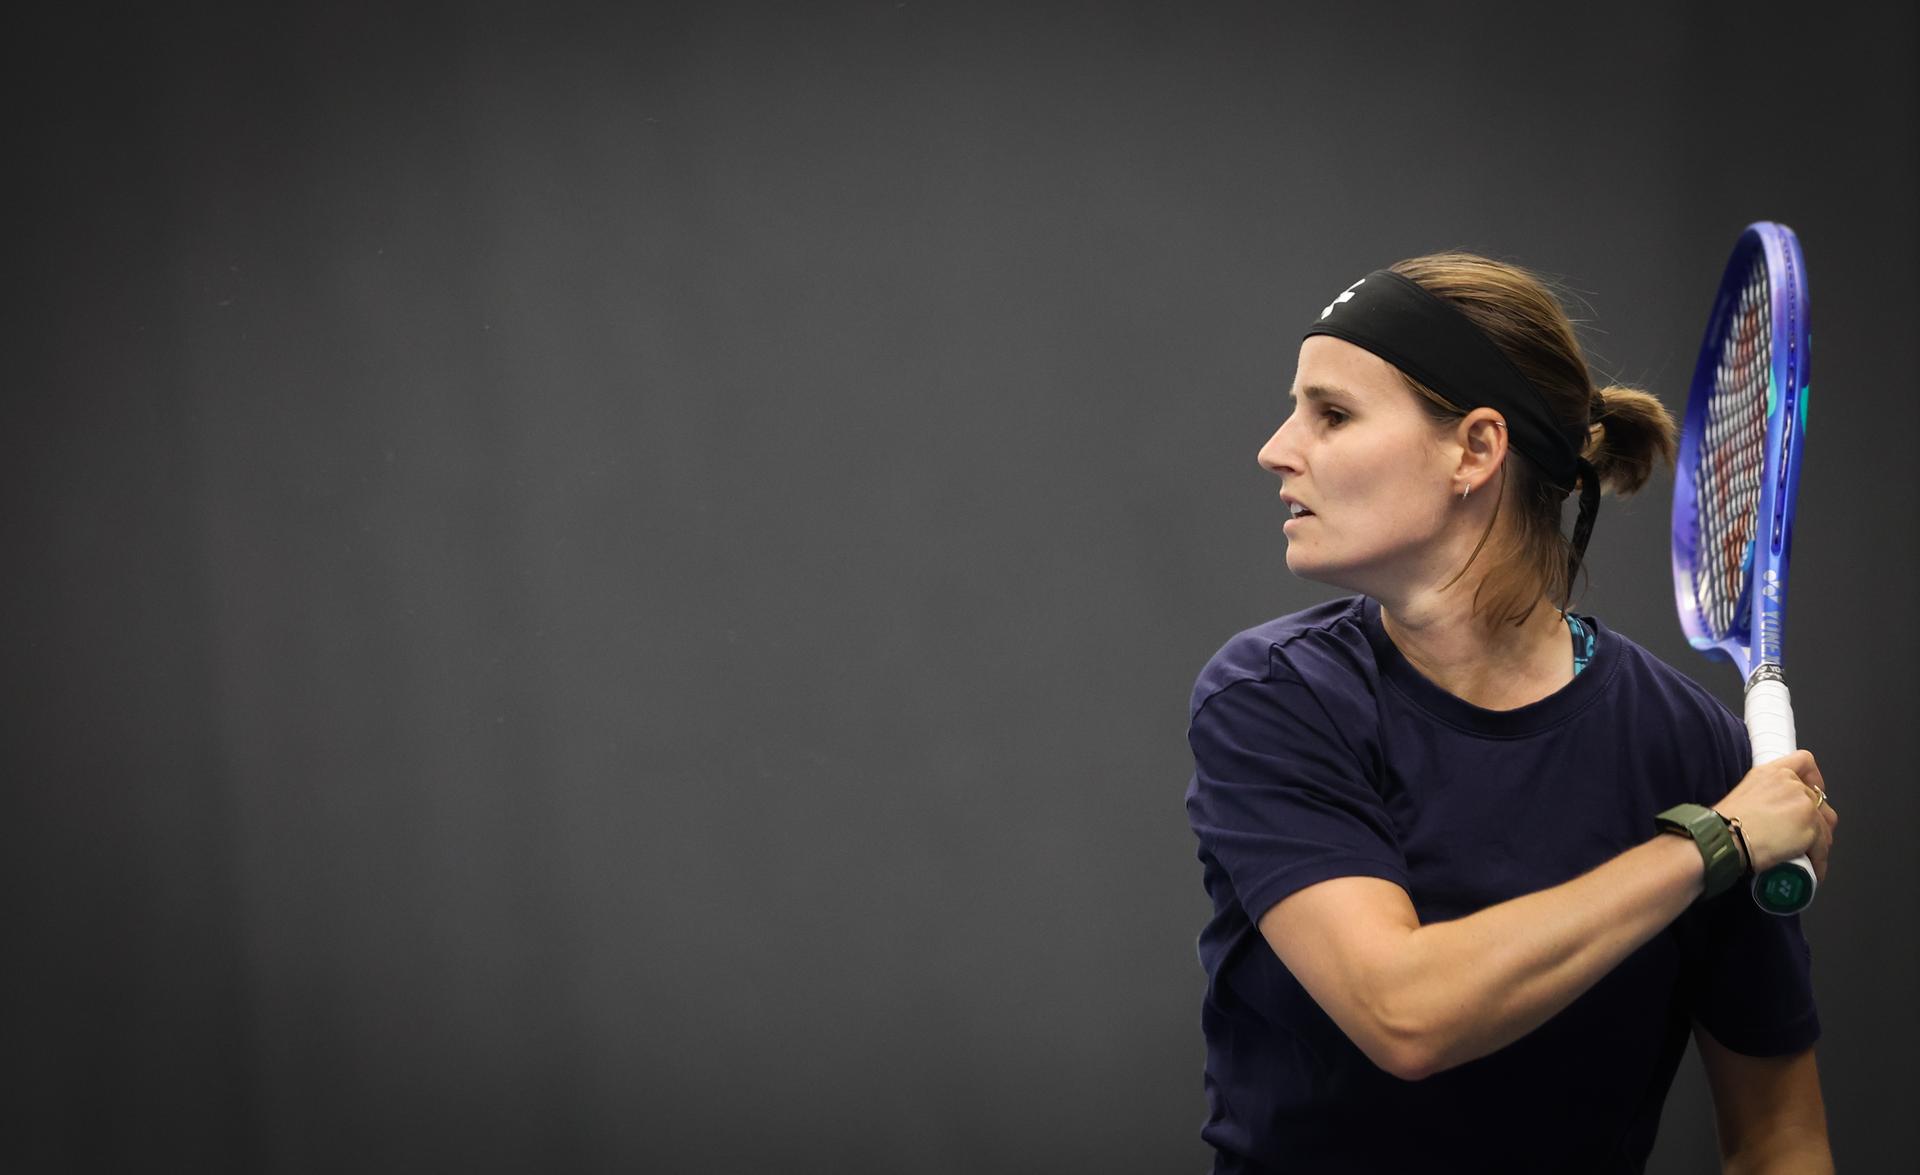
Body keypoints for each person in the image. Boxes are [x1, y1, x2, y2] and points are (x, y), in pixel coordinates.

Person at [1183, 253, 1838, 1173]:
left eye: (1331, 414)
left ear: (1476, 449)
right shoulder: (1275, 697)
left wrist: (1732, 824)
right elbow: (1404, 1012)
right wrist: (1711, 844)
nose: (1277, 448)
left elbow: (1780, 1138)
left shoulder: (1693, 746)